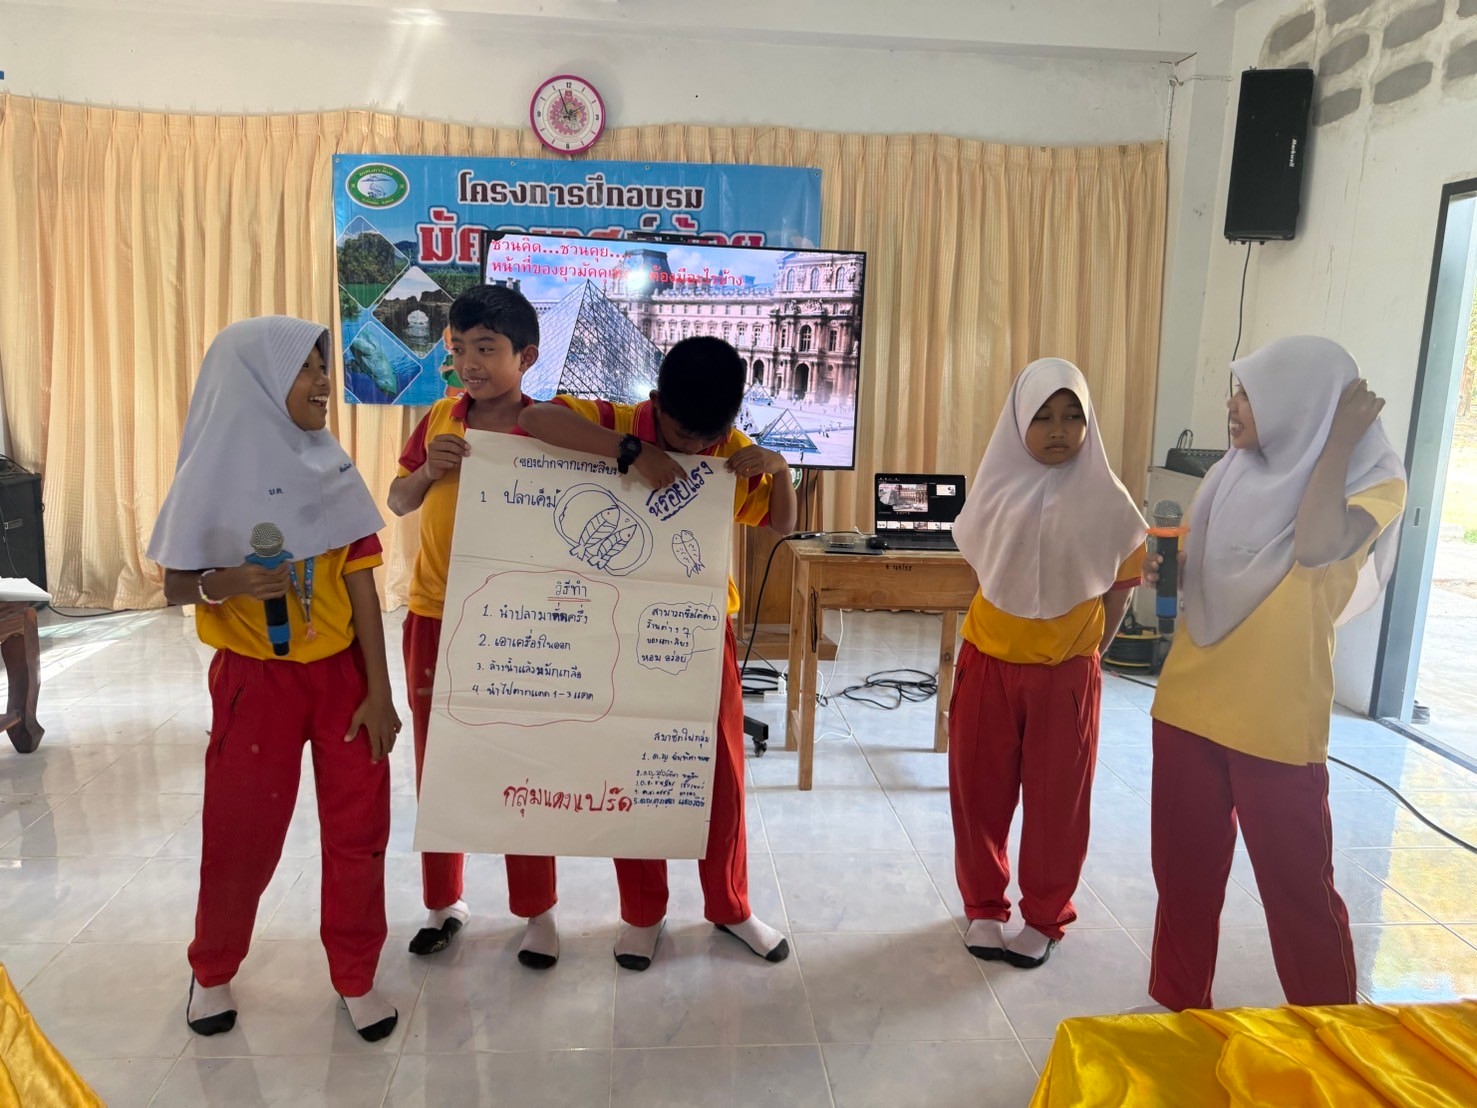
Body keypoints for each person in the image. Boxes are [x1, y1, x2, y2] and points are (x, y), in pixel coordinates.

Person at [148, 316, 400, 1042]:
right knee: (241, 831)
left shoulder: (331, 467)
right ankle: (212, 969)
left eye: (324, 367)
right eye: (307, 369)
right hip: (254, 685)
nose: (324, 382)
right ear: (255, 382)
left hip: (344, 680)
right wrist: (224, 582)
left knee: (359, 830)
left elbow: (362, 587)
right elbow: (174, 585)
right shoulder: (210, 474)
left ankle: (356, 973)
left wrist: (379, 692)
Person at [518, 335, 796, 970]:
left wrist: (778, 468)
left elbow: (779, 523)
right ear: (655, 402)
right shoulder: (614, 421)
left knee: (722, 778)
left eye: (708, 438)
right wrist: (634, 450)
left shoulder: (728, 449)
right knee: (635, 772)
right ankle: (643, 914)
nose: (695, 450)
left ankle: (731, 906)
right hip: (616, 632)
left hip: (702, 632)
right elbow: (535, 420)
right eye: (681, 434)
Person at [1146, 336, 1406, 1011]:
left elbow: (1317, 545)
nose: (1232, 405)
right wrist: (1165, 568)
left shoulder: (1372, 481)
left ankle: (1331, 1030)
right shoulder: (1228, 474)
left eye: (1249, 393)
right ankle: (1178, 1012)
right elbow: (1205, 568)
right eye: (1235, 389)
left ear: (1302, 403)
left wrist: (1337, 443)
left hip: (1277, 719)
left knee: (1297, 892)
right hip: (1188, 701)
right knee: (1182, 876)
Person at [948, 358, 1147, 969]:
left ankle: (1044, 916)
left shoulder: (1109, 502)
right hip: (987, 664)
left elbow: (1121, 589)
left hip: (1066, 676)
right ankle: (984, 906)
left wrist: (1087, 654)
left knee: (1058, 804)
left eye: (1071, 416)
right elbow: (986, 571)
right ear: (1018, 422)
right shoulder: (993, 489)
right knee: (978, 794)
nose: (1058, 429)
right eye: (1042, 416)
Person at [389, 286, 562, 966]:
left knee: (523, 760)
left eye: (486, 349)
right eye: (459, 349)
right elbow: (398, 499)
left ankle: (538, 911)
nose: (469, 364)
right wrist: (428, 472)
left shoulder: (548, 425)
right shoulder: (439, 417)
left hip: (519, 622)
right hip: (435, 615)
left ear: (526, 356)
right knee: (439, 765)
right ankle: (443, 902)